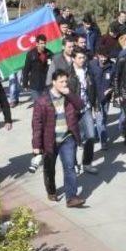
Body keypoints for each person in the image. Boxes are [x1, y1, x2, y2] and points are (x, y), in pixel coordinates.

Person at [32, 69, 86, 208]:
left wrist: (70, 94)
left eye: (65, 81)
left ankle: (71, 197)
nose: (64, 84)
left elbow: (81, 106)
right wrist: (36, 145)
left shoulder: (69, 95)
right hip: (50, 139)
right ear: (54, 82)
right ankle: (51, 190)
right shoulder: (42, 101)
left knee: (69, 166)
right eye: (61, 82)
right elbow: (37, 124)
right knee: (49, 168)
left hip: (67, 137)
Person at [68, 47, 98, 174]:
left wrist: (95, 105)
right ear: (73, 59)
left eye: (83, 57)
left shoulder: (88, 71)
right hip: (73, 110)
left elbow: (93, 88)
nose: (82, 60)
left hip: (86, 108)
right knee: (74, 139)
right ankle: (73, 164)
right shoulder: (68, 74)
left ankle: (87, 163)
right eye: (79, 58)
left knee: (91, 136)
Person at [89, 47, 115, 150]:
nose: (103, 59)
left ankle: (96, 133)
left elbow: (115, 80)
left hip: (106, 97)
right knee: (100, 120)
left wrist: (111, 89)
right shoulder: (92, 65)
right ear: (98, 55)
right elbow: (89, 81)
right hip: (96, 97)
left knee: (104, 118)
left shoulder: (112, 66)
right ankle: (103, 141)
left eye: (105, 57)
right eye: (101, 56)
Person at [22, 34, 53, 101]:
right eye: (41, 43)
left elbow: (52, 68)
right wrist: (25, 83)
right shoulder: (31, 54)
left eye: (44, 43)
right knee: (38, 105)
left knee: (47, 105)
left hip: (46, 84)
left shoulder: (49, 53)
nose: (43, 45)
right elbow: (26, 69)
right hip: (35, 85)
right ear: (37, 44)